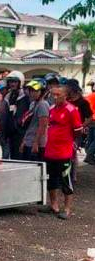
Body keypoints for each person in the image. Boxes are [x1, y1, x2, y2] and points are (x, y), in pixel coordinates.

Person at [42, 85, 83, 220]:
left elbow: (78, 130)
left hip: (64, 152)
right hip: (50, 151)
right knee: (51, 179)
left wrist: (72, 143)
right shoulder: (51, 109)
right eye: (53, 95)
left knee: (66, 180)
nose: (54, 97)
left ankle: (67, 208)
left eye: (57, 95)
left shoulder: (71, 110)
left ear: (65, 95)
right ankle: (54, 205)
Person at [66, 79, 93, 181]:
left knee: (72, 152)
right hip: (65, 131)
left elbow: (90, 116)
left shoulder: (83, 102)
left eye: (68, 87)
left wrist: (82, 126)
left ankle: (73, 175)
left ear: (72, 89)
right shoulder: (65, 100)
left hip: (76, 132)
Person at [2, 70, 30, 160]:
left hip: (21, 134)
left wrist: (18, 127)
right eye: (10, 81)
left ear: (20, 82)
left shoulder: (25, 97)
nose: (12, 84)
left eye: (14, 81)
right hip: (10, 134)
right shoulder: (9, 96)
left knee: (20, 158)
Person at [20, 80, 49, 161]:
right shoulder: (33, 104)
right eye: (31, 90)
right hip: (28, 141)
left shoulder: (43, 104)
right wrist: (24, 141)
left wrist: (36, 143)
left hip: (38, 144)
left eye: (35, 91)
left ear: (41, 92)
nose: (32, 93)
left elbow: (42, 126)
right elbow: (29, 125)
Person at [0, 81, 11, 159]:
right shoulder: (3, 99)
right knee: (4, 149)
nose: (1, 91)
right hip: (2, 129)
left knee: (6, 152)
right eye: (0, 90)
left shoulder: (9, 99)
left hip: (6, 130)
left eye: (2, 89)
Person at [85, 82, 95, 165]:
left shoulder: (89, 96)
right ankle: (89, 156)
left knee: (90, 138)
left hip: (89, 119)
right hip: (94, 118)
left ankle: (89, 154)